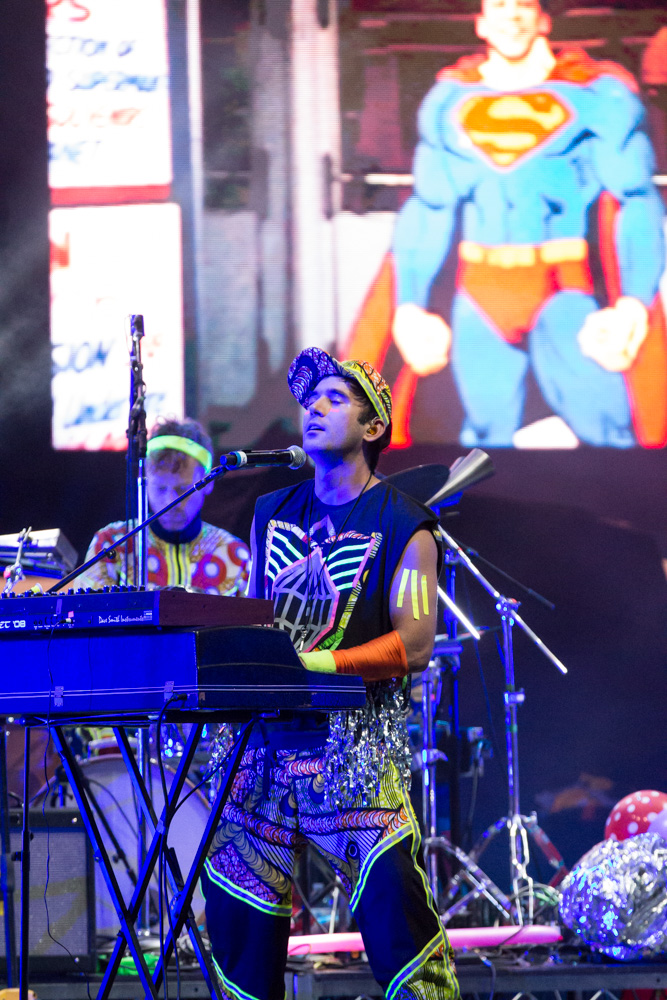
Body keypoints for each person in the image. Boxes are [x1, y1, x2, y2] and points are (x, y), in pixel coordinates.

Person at [202, 347, 459, 1000]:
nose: (313, 407)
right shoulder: (269, 512)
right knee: (239, 930)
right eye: (309, 398)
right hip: (263, 751)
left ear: (374, 426)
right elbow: (261, 616)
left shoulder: (405, 523)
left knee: (398, 931)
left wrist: (317, 663)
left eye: (334, 398)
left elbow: (415, 644)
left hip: (354, 754)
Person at [345, 0, 667, 449]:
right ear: (481, 23)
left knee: (607, 430)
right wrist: (410, 305)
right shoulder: (450, 99)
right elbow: (430, 207)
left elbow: (636, 199)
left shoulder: (597, 95)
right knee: (482, 437)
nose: (511, 15)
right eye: (499, 4)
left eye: (523, 4)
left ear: (543, 19)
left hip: (564, 287)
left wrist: (634, 303)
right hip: (480, 291)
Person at [80, 418, 250, 594]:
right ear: (144, 484)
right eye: (160, 488)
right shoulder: (111, 545)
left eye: (182, 489)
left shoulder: (235, 555)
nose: (170, 501)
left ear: (208, 483)